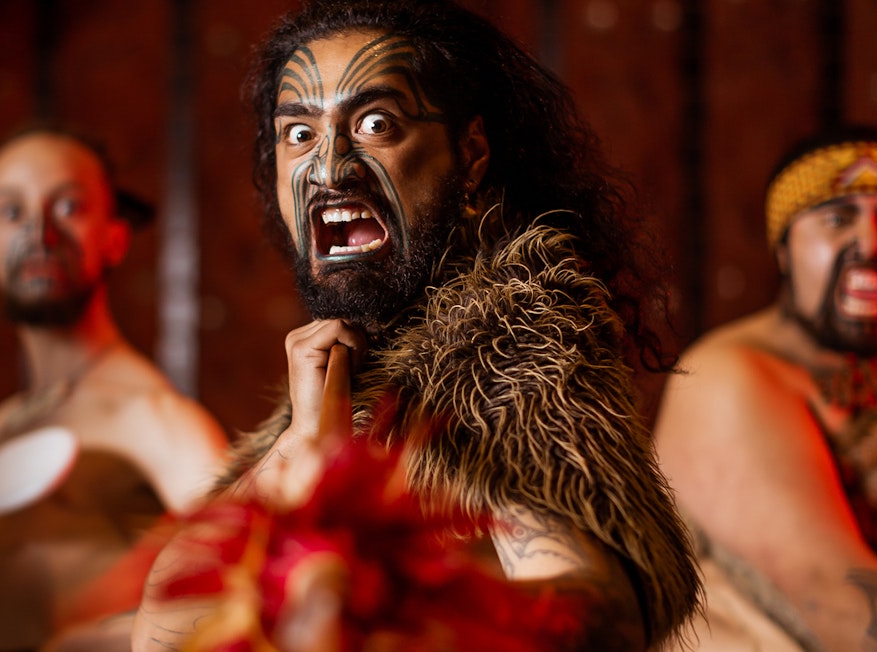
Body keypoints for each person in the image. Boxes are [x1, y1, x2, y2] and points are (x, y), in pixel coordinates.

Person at [135, 0, 700, 649]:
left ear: (471, 155)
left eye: (376, 124)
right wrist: (304, 443)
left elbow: (605, 610)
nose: (328, 167)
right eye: (298, 134)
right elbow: (163, 633)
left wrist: (407, 606)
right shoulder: (347, 372)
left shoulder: (509, 345)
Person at [0, 127, 229, 652]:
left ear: (114, 237)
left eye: (67, 206)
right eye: (11, 212)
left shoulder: (154, 416)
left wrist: (114, 640)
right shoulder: (10, 422)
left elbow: (250, 572)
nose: (39, 233)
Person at [654, 125, 877, 650]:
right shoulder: (725, 377)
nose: (870, 243)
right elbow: (835, 596)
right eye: (837, 219)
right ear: (784, 250)